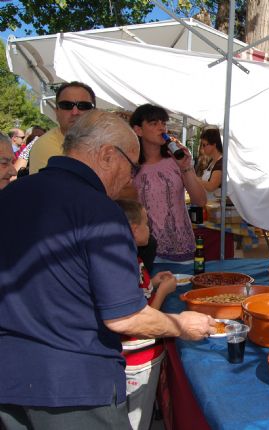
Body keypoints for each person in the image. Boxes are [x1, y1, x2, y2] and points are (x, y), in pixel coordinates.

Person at [0, 110, 216, 429]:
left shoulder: (12, 194)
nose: (131, 179)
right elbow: (125, 316)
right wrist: (182, 325)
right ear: (106, 155)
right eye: (131, 167)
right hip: (75, 386)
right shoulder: (99, 210)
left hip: (10, 378)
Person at [115, 199, 177, 430]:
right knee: (136, 417)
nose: (150, 229)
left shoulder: (134, 258)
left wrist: (154, 282)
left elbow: (141, 292)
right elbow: (143, 314)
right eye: (146, 224)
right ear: (133, 229)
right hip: (137, 357)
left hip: (139, 354)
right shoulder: (126, 263)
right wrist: (162, 291)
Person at [130, 104, 206, 261]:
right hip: (145, 248)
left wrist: (186, 168)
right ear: (138, 130)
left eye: (163, 123)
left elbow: (200, 201)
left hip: (181, 245)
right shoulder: (130, 165)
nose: (161, 128)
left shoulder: (176, 160)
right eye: (153, 123)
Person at [28, 81, 96, 174]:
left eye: (83, 106)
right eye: (67, 105)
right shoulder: (45, 146)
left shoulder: (107, 140)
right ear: (56, 112)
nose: (75, 112)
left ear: (94, 112)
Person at [197, 127, 224, 199]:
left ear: (214, 144)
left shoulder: (221, 162)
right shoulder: (212, 162)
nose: (203, 148)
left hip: (217, 208)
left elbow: (211, 186)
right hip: (209, 206)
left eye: (205, 145)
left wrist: (195, 179)